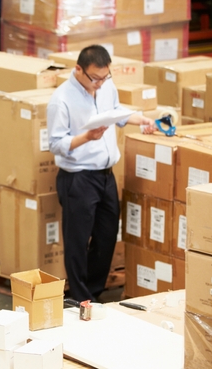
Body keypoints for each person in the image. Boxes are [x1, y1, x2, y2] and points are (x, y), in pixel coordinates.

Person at [47, 45, 156, 303]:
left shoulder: (106, 86)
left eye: (104, 77)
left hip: (106, 175)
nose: (99, 84)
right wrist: (87, 137)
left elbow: (116, 113)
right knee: (78, 241)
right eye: (94, 78)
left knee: (107, 236)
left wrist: (142, 120)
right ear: (78, 70)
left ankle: (93, 292)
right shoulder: (61, 99)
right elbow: (56, 144)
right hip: (78, 178)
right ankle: (80, 298)